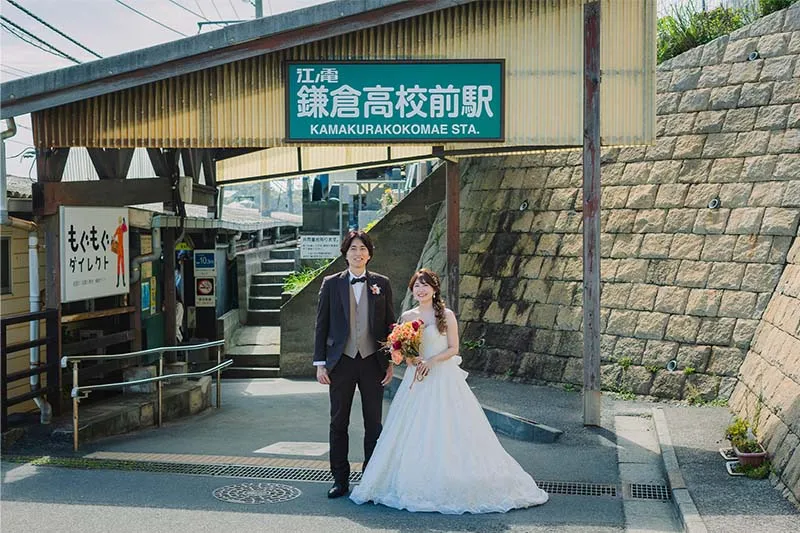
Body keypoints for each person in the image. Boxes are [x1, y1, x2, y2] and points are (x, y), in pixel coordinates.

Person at [350, 268, 549, 514]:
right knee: (412, 429)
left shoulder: (446, 315)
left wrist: (431, 361)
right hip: (416, 379)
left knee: (450, 428)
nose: (420, 289)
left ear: (434, 289)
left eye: (425, 285)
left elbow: (454, 348)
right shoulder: (406, 315)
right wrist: (410, 359)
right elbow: (402, 351)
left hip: (442, 376)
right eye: (416, 285)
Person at [314, 230, 395, 499]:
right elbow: (321, 325)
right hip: (341, 362)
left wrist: (391, 361)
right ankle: (340, 479)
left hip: (373, 361)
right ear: (345, 253)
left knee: (374, 424)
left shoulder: (382, 283)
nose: (357, 253)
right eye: (353, 249)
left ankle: (370, 478)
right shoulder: (331, 283)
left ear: (369, 253)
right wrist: (320, 364)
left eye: (362, 248)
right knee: (339, 422)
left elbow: (390, 325)